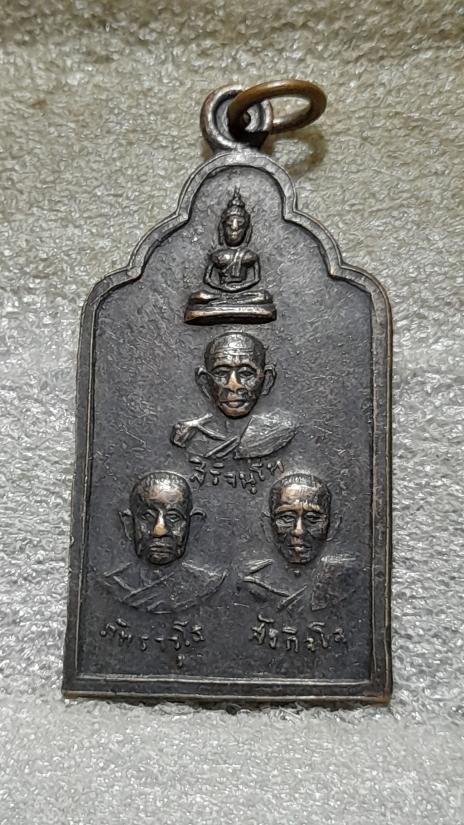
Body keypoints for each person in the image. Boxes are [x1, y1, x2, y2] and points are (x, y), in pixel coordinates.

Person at [171, 332, 296, 460]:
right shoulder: (187, 435)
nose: (233, 385)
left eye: (246, 373)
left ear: (267, 380)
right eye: (221, 373)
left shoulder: (278, 432)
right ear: (204, 382)